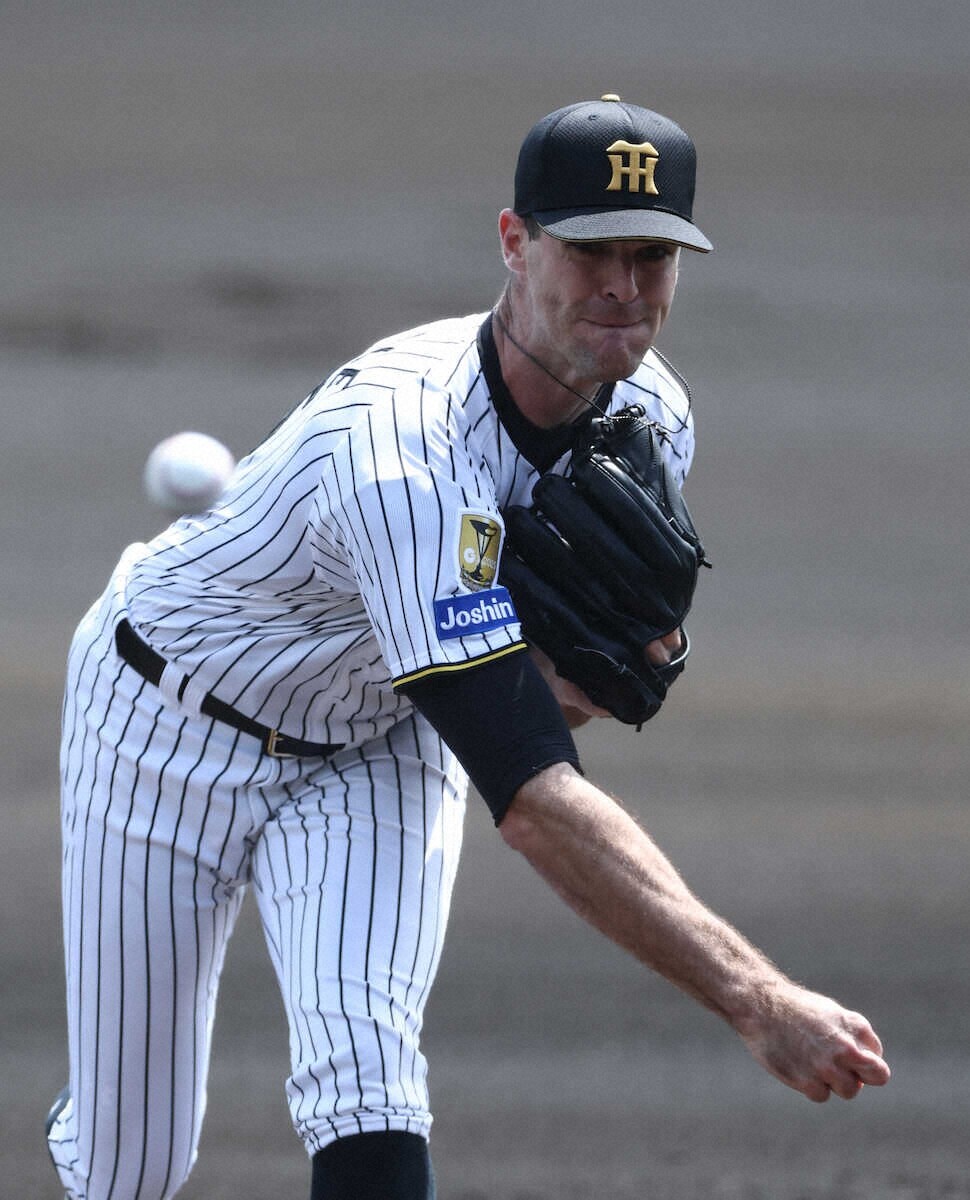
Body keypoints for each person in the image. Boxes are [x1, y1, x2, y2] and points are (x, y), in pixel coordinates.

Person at [47, 94, 890, 1200]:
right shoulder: (405, 456)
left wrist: (609, 664)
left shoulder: (654, 416)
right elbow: (531, 792)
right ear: (514, 244)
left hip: (378, 743)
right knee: (133, 1165)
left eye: (652, 256)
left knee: (367, 1074)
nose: (623, 288)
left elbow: (555, 692)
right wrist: (757, 998)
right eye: (589, 250)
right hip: (163, 723)